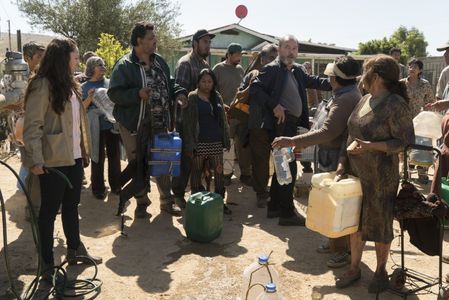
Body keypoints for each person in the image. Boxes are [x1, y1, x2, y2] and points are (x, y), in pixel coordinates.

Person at [333, 54, 414, 293]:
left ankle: (380, 271)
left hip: (381, 178)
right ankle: (354, 267)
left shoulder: (396, 104)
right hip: (356, 175)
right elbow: (350, 134)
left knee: (380, 224)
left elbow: (406, 142)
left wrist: (372, 146)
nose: (361, 77)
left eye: (365, 72)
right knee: (355, 222)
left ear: (376, 77)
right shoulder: (364, 99)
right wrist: (341, 163)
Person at [22, 38, 102, 281]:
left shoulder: (71, 84)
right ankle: (47, 263)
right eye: (75, 57)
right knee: (48, 212)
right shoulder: (42, 85)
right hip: (52, 160)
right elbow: (32, 126)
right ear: (62, 58)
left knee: (71, 206)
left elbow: (77, 124)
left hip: (73, 158)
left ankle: (75, 249)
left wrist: (84, 152)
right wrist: (35, 160)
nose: (79, 61)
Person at [272, 56, 361, 268]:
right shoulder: (342, 94)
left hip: (335, 157)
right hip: (329, 154)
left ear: (336, 78)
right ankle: (334, 243)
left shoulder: (346, 98)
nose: (328, 78)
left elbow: (329, 131)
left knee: (338, 205)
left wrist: (292, 141)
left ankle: (342, 251)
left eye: (331, 75)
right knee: (331, 203)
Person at [250, 34, 331, 226]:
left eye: (294, 48)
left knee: (282, 168)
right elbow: (255, 89)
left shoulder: (296, 70)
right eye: (287, 47)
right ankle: (286, 213)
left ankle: (275, 207)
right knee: (288, 168)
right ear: (279, 49)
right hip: (280, 125)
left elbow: (315, 81)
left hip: (292, 125)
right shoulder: (271, 69)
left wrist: (339, 81)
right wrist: (274, 105)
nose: (291, 51)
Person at [108, 22, 187, 218]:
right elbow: (114, 93)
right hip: (134, 125)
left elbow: (170, 82)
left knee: (163, 159)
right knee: (138, 163)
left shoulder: (159, 60)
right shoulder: (125, 65)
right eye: (151, 38)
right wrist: (137, 94)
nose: (155, 41)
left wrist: (178, 93)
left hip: (160, 122)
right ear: (139, 41)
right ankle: (141, 203)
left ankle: (166, 202)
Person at [172, 29, 215, 207]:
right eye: (204, 41)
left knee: (201, 160)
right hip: (187, 123)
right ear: (195, 43)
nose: (208, 45)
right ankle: (178, 195)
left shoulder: (204, 63)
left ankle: (198, 194)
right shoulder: (185, 63)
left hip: (203, 122)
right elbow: (180, 94)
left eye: (209, 42)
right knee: (186, 159)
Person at [233, 44, 278, 208]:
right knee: (260, 160)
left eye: (277, 58)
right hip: (257, 125)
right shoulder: (253, 74)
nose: (275, 61)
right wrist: (252, 87)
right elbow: (239, 97)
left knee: (282, 160)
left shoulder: (284, 75)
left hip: (279, 125)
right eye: (271, 58)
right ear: (263, 59)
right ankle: (261, 193)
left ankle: (280, 193)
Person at [182, 69, 231, 214]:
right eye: (203, 81)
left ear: (213, 82)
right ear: (198, 82)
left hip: (216, 141)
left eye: (209, 81)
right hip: (199, 142)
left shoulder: (217, 96)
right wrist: (190, 145)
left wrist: (226, 139)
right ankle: (196, 203)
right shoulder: (192, 97)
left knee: (219, 173)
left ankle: (219, 202)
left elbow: (222, 120)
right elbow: (188, 124)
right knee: (196, 172)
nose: (206, 84)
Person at [81, 56, 121, 199]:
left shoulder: (110, 83)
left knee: (115, 156)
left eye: (103, 64)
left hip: (111, 125)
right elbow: (82, 109)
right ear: (92, 68)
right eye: (99, 65)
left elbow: (116, 103)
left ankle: (116, 186)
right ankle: (98, 188)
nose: (103, 67)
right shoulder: (84, 88)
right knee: (97, 157)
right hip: (95, 127)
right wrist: (90, 98)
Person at [212, 43, 250, 186]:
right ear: (229, 54)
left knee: (243, 146)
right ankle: (226, 174)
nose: (239, 57)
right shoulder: (218, 69)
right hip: (225, 114)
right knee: (227, 146)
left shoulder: (240, 70)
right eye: (237, 54)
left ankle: (246, 174)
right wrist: (221, 106)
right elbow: (212, 91)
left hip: (240, 114)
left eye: (241, 54)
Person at [401, 58, 436, 183]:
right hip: (403, 120)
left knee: (422, 147)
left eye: (415, 67)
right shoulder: (401, 84)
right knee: (405, 146)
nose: (411, 69)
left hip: (421, 122)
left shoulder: (425, 84)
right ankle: (405, 173)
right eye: (410, 66)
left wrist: (427, 113)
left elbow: (431, 102)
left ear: (420, 70)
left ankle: (422, 173)